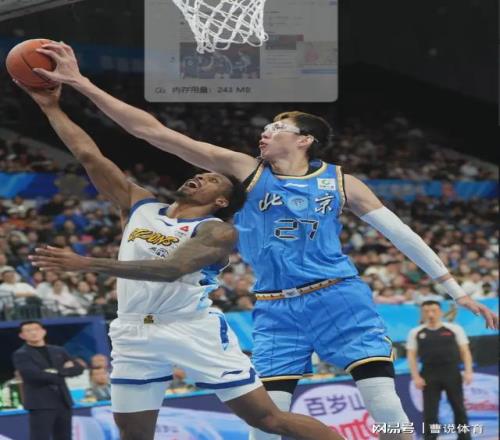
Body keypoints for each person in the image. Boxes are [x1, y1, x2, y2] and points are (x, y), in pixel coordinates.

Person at [33, 42, 498, 440]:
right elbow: (151, 131)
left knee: (383, 402)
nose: (265, 131)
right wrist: (81, 84)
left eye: (276, 128)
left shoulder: (342, 183)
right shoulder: (245, 171)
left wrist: (455, 290)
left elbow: (401, 234)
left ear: (304, 140)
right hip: (274, 305)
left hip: (337, 294)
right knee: (265, 425)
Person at [22, 83, 342, 440]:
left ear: (221, 202)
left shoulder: (217, 230)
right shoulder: (141, 206)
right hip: (132, 330)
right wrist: (50, 106)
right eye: (199, 174)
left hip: (190, 329)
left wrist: (87, 264)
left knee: (268, 419)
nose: (199, 176)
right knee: (134, 435)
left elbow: (170, 270)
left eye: (211, 179)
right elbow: (89, 156)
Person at [406, 301, 473, 440]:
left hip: (451, 372)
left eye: (434, 310)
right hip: (429, 374)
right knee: (430, 411)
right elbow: (411, 356)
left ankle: (465, 437)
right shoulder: (416, 332)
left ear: (441, 312)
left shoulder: (454, 329)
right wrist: (416, 376)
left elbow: (465, 351)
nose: (431, 314)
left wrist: (468, 371)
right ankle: (430, 437)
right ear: (422, 314)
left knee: (459, 407)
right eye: (426, 311)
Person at [11, 320, 84, 440]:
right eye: (28, 330)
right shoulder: (21, 354)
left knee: (65, 437)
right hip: (40, 403)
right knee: (40, 437)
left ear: (43, 331)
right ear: (22, 335)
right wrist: (63, 371)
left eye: (36, 329)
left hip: (63, 401)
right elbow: (33, 375)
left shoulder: (59, 350)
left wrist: (55, 372)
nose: (33, 333)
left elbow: (78, 368)